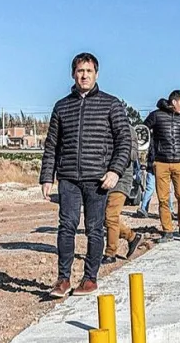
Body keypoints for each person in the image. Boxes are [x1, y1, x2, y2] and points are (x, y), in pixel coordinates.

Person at [39, 52, 131, 297]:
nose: (84, 75)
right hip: (68, 176)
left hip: (98, 178)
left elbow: (125, 141)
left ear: (96, 74)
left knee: (94, 228)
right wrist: (47, 176)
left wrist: (115, 170)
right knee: (66, 226)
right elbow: (52, 145)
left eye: (89, 71)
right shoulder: (62, 106)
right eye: (80, 71)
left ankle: (90, 278)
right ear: (73, 74)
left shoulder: (111, 104)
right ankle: (63, 279)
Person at [144, 90, 180, 242]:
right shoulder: (155, 115)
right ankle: (167, 231)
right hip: (161, 162)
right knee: (163, 199)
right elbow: (143, 132)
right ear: (174, 102)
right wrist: (150, 157)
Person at [103, 110, 145, 264]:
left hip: (121, 179)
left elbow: (131, 155)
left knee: (111, 216)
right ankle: (132, 237)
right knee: (103, 219)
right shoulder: (101, 129)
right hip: (102, 179)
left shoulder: (129, 130)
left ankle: (110, 253)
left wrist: (115, 165)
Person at [135, 145, 172, 219]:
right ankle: (144, 209)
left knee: (165, 189)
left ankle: (169, 210)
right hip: (153, 169)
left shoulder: (156, 140)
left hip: (160, 168)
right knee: (151, 188)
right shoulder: (155, 140)